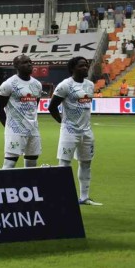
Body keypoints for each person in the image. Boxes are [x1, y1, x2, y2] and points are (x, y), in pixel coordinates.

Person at [48, 57, 102, 206]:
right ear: (73, 68)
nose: (85, 68)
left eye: (86, 65)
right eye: (81, 66)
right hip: (69, 132)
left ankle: (84, 197)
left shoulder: (90, 85)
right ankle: (62, 197)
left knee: (86, 163)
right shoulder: (65, 85)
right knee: (64, 164)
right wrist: (63, 122)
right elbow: (52, 107)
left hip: (87, 131)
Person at [0, 55, 43, 169]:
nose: (29, 64)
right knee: (10, 163)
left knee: (32, 163)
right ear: (16, 66)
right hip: (15, 130)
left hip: (33, 129)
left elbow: (34, 105)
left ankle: (29, 181)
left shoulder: (37, 84)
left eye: (30, 62)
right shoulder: (9, 84)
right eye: (25, 62)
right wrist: (9, 126)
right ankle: (4, 182)